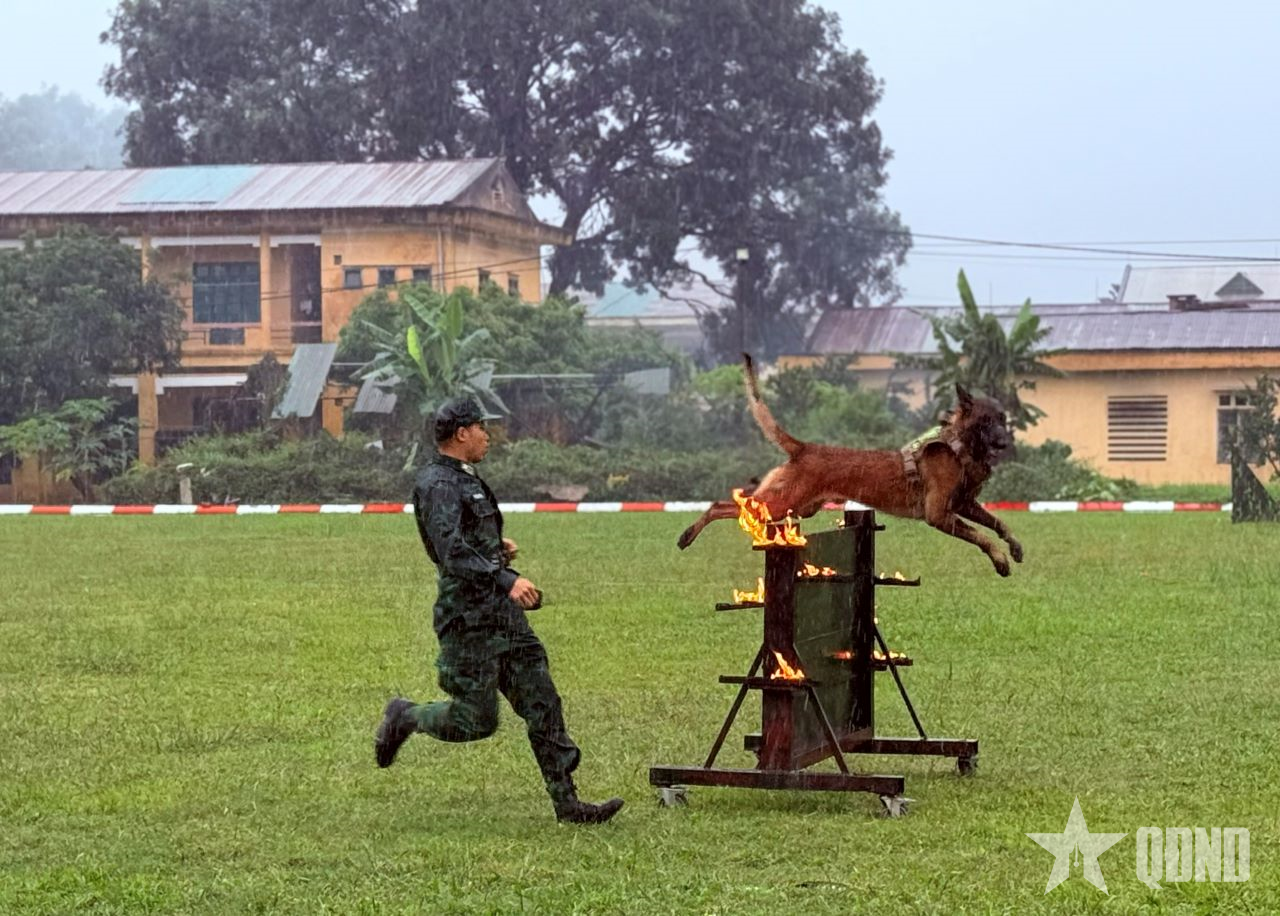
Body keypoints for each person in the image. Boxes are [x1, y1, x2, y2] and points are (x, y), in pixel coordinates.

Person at [374, 396, 624, 825]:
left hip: (502, 615)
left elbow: (468, 539)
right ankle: (407, 716)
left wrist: (495, 548)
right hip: (467, 619)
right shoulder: (437, 483)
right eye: (481, 428)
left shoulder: (464, 477)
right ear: (461, 434)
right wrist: (506, 578)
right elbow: (451, 550)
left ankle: (567, 802)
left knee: (542, 700)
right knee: (477, 720)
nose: (487, 435)